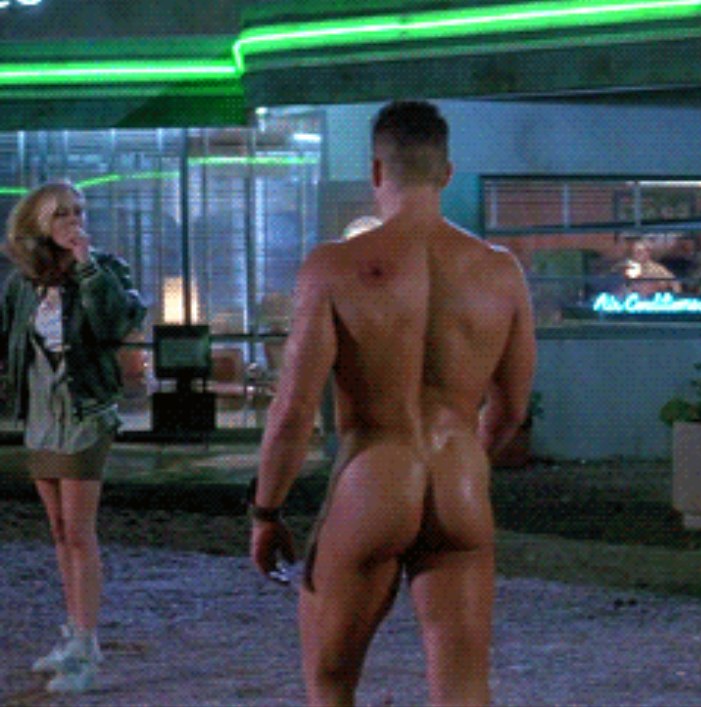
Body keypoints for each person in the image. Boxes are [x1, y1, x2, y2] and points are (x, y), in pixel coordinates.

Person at [250, 100, 536, 707]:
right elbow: (512, 409)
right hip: (459, 478)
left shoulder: (334, 267)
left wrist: (266, 511)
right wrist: (470, 460)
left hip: (374, 475)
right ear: (447, 173)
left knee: (331, 682)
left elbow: (293, 412)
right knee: (463, 690)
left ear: (377, 171)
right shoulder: (501, 272)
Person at [0, 181, 146, 693]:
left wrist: (86, 266)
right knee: (60, 530)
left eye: (78, 212)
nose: (73, 221)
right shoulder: (22, 282)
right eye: (61, 214)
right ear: (39, 223)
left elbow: (113, 324)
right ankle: (74, 633)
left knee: (80, 532)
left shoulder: (104, 270)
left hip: (84, 411)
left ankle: (85, 649)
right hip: (40, 415)